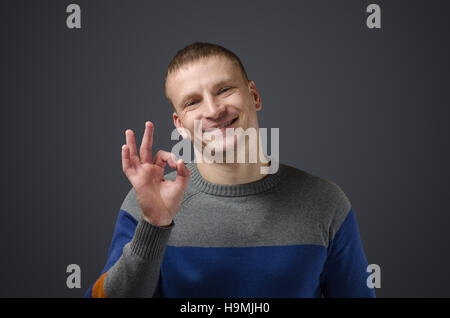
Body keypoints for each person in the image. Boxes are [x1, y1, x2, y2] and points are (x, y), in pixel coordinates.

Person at [85, 42, 376, 298]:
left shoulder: (326, 203)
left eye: (224, 90)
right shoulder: (147, 203)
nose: (213, 110)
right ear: (180, 126)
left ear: (254, 96)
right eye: (193, 102)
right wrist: (154, 224)